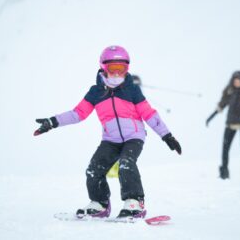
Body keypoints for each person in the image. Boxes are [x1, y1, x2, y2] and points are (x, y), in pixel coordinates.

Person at [33, 45, 181, 219]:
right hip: (110, 139)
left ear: (127, 69)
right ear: (104, 67)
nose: (117, 74)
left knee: (126, 164)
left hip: (134, 136)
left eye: (122, 69)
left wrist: (167, 136)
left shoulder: (132, 89)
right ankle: (99, 203)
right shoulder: (95, 92)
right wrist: (53, 121)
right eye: (113, 68)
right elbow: (77, 114)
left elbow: (148, 113)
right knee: (94, 169)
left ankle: (134, 202)